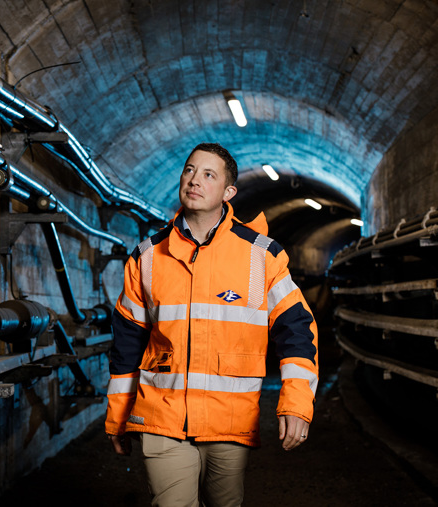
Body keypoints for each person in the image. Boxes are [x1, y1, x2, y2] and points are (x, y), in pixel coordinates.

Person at [105, 143, 318, 507]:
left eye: (208, 174)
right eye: (189, 170)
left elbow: (297, 330)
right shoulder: (147, 256)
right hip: (161, 415)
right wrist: (117, 417)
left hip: (230, 420)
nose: (194, 180)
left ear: (228, 192)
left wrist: (296, 404)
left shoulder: (261, 255)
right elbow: (127, 342)